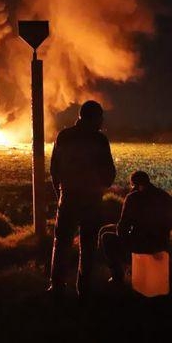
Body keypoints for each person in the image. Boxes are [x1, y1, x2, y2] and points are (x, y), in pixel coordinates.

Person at [48, 100, 116, 298]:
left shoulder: (64, 136)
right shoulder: (99, 140)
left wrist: (60, 193)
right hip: (91, 200)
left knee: (61, 244)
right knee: (88, 245)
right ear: (94, 118)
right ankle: (84, 289)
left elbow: (55, 169)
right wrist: (101, 188)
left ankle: (57, 287)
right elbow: (109, 172)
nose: (102, 121)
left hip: (68, 197)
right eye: (100, 117)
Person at [99, 171, 172, 283]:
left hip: (141, 244)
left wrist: (122, 232)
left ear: (134, 184)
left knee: (105, 236)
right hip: (161, 243)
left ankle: (117, 276)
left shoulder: (133, 198)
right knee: (108, 230)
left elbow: (123, 227)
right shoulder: (164, 196)